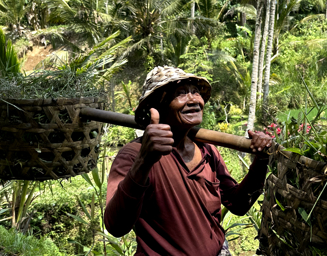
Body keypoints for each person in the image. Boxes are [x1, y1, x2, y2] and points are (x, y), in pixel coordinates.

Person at [104, 66, 273, 256]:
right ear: (156, 107)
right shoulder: (133, 155)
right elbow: (115, 226)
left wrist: (261, 159)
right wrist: (144, 161)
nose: (193, 100)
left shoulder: (208, 150)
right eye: (181, 93)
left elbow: (239, 204)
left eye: (195, 92)